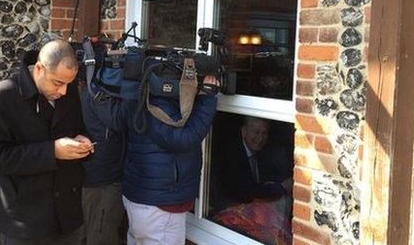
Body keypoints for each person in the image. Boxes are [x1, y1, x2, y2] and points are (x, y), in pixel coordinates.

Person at [0, 39, 94, 245]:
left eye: (70, 83)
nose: (64, 92)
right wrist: (52, 151)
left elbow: (78, 130)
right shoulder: (2, 96)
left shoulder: (68, 94)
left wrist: (83, 141)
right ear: (39, 69)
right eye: (58, 83)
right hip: (25, 224)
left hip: (69, 219)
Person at [121, 76, 219, 245]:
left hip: (145, 197)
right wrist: (206, 98)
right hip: (158, 204)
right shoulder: (160, 100)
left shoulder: (142, 90)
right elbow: (182, 139)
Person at [79, 83, 128, 245]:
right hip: (102, 179)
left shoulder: (93, 88)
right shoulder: (96, 91)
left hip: (103, 174)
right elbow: (117, 120)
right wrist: (130, 87)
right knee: (100, 235)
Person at [218, 116, 292, 208]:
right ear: (243, 131)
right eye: (256, 132)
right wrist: (282, 187)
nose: (260, 138)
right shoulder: (231, 154)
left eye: (264, 133)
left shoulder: (266, 151)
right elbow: (248, 192)